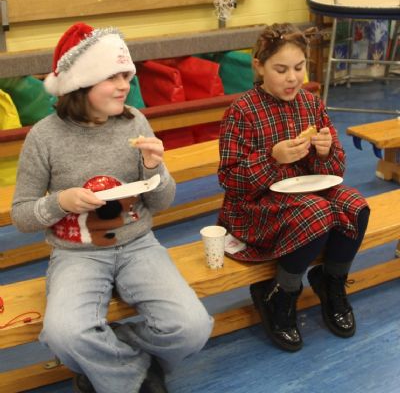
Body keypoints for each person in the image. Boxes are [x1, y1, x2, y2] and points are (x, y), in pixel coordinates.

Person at [11, 22, 213, 393]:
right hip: (77, 254)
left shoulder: (135, 121)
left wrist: (154, 169)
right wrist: (61, 202)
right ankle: (136, 371)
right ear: (80, 83)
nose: (125, 85)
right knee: (64, 333)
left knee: (192, 327)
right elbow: (22, 215)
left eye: (126, 75)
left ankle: (106, 356)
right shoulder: (44, 136)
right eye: (112, 77)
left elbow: (161, 202)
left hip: (138, 245)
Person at [217, 23, 370, 352]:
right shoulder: (242, 112)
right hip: (253, 208)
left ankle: (331, 283)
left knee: (355, 205)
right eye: (281, 69)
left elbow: (335, 172)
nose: (292, 78)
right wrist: (272, 158)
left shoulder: (311, 104)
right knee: (317, 213)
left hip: (306, 198)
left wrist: (325, 152)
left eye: (299, 68)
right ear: (259, 67)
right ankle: (280, 294)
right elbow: (230, 179)